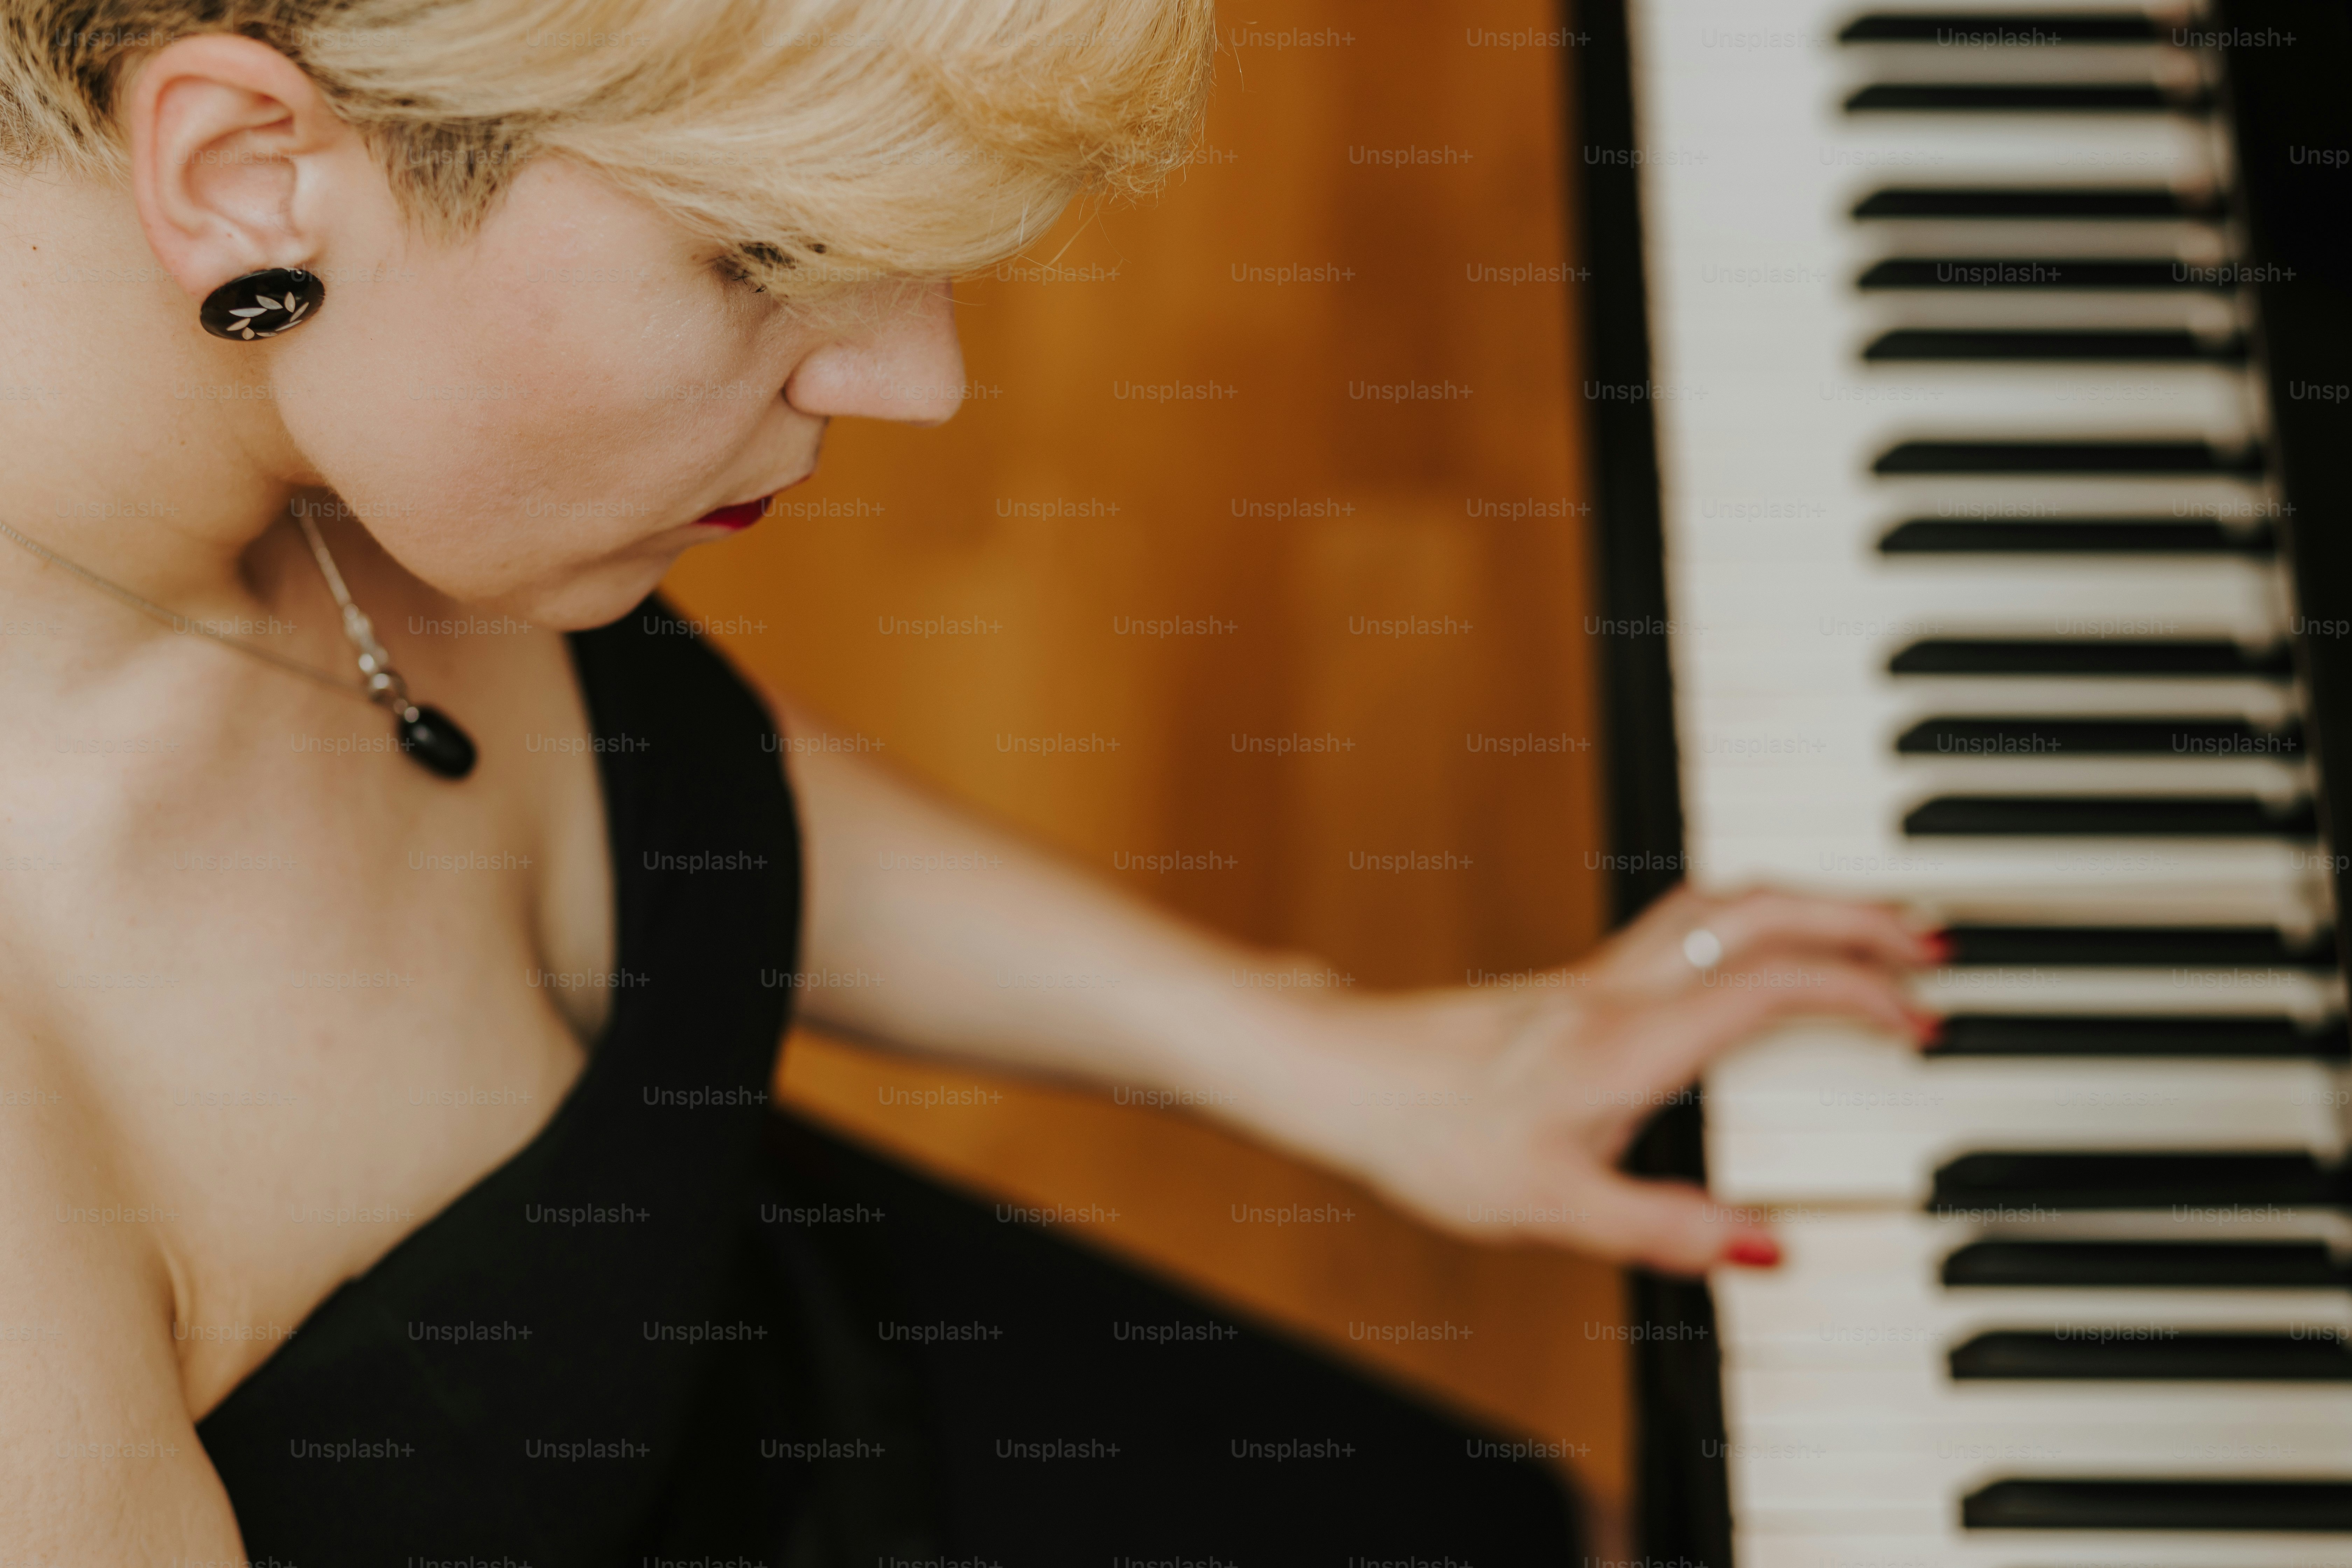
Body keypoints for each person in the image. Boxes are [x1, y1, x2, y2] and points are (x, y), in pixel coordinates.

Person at [0, 0, 1940, 1560]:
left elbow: (625, 797)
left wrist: (1332, 1055)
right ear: (249, 173)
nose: (918, 384)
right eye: (770, 252)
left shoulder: (299, 404)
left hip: (820, 1355)